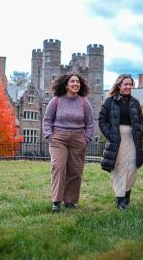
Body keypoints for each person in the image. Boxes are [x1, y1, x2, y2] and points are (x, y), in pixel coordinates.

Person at [43, 73, 94, 212]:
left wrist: (86, 138)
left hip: (78, 139)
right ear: (66, 85)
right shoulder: (56, 100)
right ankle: (56, 201)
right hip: (58, 138)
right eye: (72, 81)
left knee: (76, 170)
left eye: (78, 82)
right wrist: (49, 135)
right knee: (58, 167)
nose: (76, 84)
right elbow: (47, 120)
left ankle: (70, 201)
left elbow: (90, 123)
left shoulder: (84, 102)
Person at [99, 74, 143, 210]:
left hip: (132, 139)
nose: (128, 87)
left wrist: (139, 131)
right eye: (126, 84)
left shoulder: (135, 102)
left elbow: (141, 120)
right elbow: (102, 120)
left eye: (130, 84)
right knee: (119, 168)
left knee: (131, 168)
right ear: (119, 85)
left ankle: (126, 197)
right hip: (116, 140)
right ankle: (120, 201)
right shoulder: (109, 101)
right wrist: (110, 135)